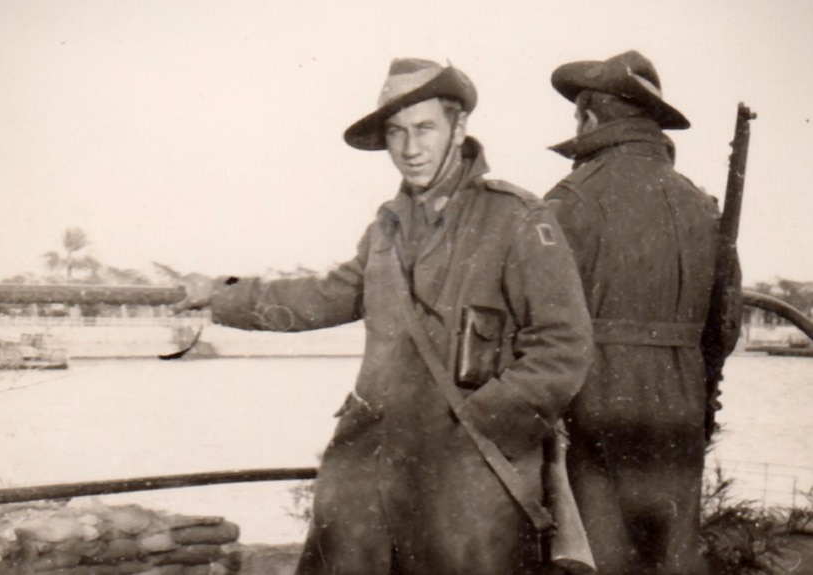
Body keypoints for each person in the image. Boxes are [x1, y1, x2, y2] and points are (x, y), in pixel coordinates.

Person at [175, 58, 593, 574]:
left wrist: (484, 425)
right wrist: (220, 295)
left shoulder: (517, 219)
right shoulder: (387, 229)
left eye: (424, 129)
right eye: (396, 132)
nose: (409, 149)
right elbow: (327, 295)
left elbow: (564, 348)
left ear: (459, 128)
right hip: (374, 477)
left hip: (471, 482)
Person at [544, 50, 743, 575]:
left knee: (597, 557)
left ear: (589, 117)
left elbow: (535, 326)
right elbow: (725, 326)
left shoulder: (571, 199)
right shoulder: (701, 205)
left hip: (593, 406)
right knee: (673, 556)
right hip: (680, 408)